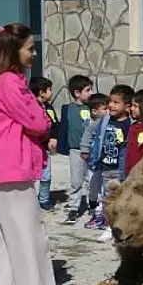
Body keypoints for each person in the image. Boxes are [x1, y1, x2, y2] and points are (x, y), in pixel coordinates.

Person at [0, 22, 77, 285]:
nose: (33, 53)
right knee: (32, 237)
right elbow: (38, 122)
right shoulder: (9, 82)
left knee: (7, 239)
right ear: (13, 51)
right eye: (29, 48)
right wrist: (42, 117)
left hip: (2, 168)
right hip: (11, 168)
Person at [85, 84, 134, 241]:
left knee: (123, 199)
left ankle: (123, 227)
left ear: (127, 107)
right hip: (106, 166)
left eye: (115, 102)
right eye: (110, 102)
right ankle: (110, 226)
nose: (110, 105)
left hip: (121, 168)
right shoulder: (105, 120)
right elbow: (95, 136)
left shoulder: (130, 125)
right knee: (108, 198)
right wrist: (90, 154)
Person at [57, 74, 94, 224]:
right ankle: (74, 207)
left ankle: (94, 205)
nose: (90, 93)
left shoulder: (92, 108)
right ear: (77, 93)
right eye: (88, 90)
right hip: (75, 151)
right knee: (76, 180)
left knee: (92, 180)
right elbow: (63, 128)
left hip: (91, 150)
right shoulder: (67, 109)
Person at [78, 93, 109, 229]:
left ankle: (103, 216)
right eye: (105, 109)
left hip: (105, 163)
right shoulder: (94, 124)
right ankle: (95, 213)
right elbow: (86, 138)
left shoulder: (111, 123)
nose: (108, 111)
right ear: (95, 111)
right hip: (93, 163)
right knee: (93, 189)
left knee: (104, 190)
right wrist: (85, 151)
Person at [31, 76, 58, 210]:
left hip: (45, 149)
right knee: (29, 176)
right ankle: (28, 200)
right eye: (49, 90)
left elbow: (54, 124)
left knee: (46, 176)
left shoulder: (49, 108)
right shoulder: (30, 107)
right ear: (41, 92)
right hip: (32, 147)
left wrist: (53, 137)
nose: (51, 92)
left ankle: (44, 199)